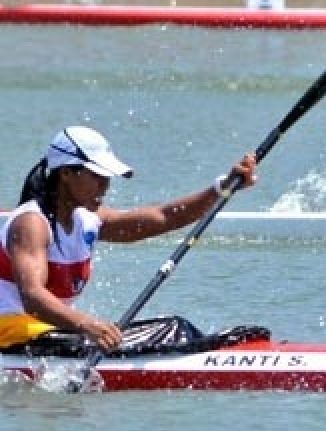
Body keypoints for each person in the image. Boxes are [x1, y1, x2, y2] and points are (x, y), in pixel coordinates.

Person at [0, 126, 257, 353]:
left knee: (172, 329)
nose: (105, 186)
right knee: (172, 328)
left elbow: (163, 217)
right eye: (97, 176)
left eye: (107, 177)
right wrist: (88, 325)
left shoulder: (85, 219)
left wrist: (220, 188)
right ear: (66, 173)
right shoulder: (32, 223)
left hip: (47, 334)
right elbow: (32, 297)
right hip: (11, 333)